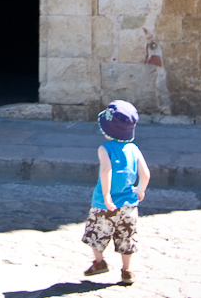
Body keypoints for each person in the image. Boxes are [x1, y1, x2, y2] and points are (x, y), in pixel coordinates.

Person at [81, 99, 150, 286]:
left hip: (104, 203)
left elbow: (106, 170)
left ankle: (99, 262)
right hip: (129, 204)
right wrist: (140, 190)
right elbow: (145, 174)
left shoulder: (104, 149)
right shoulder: (134, 149)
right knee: (126, 237)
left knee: (97, 233)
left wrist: (106, 195)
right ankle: (127, 271)